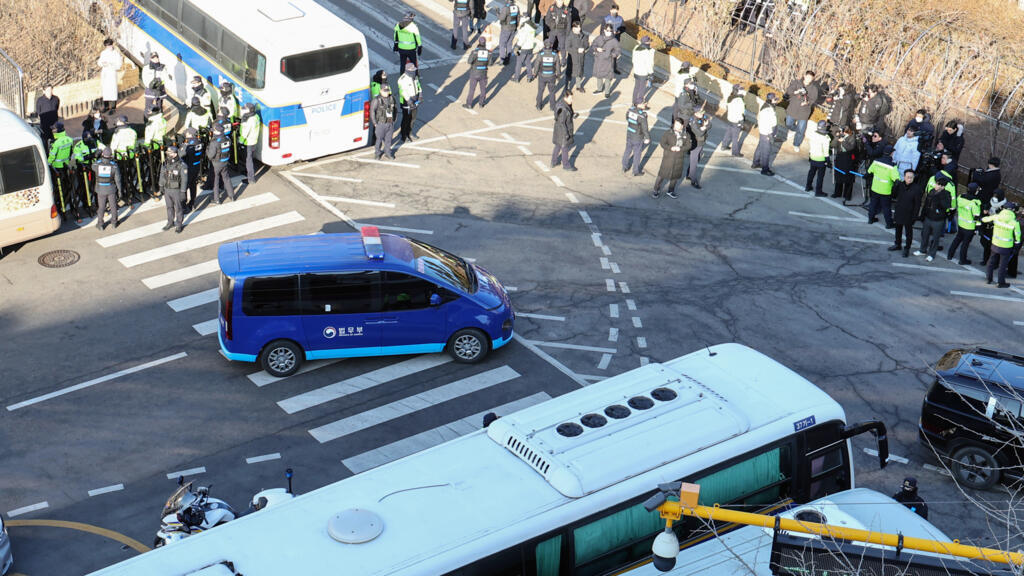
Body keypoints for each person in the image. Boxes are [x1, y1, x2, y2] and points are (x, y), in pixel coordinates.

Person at [983, 202, 1021, 288]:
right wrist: (1017, 244)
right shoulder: (1014, 222)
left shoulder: (997, 217)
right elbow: (1018, 235)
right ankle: (1000, 282)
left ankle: (988, 279)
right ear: (1012, 210)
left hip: (995, 244)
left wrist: (980, 219)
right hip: (1006, 247)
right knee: (1002, 265)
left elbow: (986, 219)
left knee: (991, 261)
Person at [916, 176, 953, 262]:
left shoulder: (946, 194)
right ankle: (922, 250)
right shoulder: (932, 191)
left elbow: (946, 206)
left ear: (943, 187)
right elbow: (926, 203)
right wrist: (922, 215)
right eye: (936, 183)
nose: (936, 185)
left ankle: (932, 254)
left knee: (935, 238)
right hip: (928, 217)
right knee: (924, 234)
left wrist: (939, 198)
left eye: (938, 184)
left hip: (938, 220)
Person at [653, 118, 693, 199]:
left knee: (675, 176)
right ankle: (656, 190)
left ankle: (670, 191)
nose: (676, 126)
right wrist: (670, 147)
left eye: (678, 125)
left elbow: (689, 145)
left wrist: (680, 149)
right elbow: (662, 143)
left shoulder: (686, 135)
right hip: (668, 158)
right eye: (675, 124)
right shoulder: (668, 133)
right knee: (661, 175)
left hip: (679, 159)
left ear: (682, 126)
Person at [889, 170, 924, 257]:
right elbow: (893, 195)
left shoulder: (917, 189)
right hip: (899, 211)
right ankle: (897, 244)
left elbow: (917, 204)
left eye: (911, 177)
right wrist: (895, 186)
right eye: (908, 177)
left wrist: (914, 216)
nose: (909, 179)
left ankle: (907, 248)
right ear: (904, 177)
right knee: (898, 229)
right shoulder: (900, 185)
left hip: (909, 214)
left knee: (908, 233)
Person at [47, 121, 76, 220]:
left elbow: (52, 156)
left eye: (54, 130)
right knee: (67, 186)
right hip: (65, 166)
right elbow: (71, 151)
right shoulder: (69, 139)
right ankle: (69, 204)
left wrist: (49, 163)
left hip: (57, 168)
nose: (53, 131)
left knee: (59, 188)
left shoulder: (56, 143)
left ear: (57, 131)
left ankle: (61, 206)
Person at [947, 183, 982, 265]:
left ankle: (950, 254)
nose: (978, 191)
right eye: (977, 190)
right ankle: (962, 260)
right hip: (969, 227)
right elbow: (976, 217)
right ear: (975, 191)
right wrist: (977, 229)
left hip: (961, 223)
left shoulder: (960, 197)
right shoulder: (975, 203)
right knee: (965, 244)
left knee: (957, 239)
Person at [784, 70, 818, 151]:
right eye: (808, 77)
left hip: (804, 112)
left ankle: (796, 144)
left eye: (811, 78)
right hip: (793, 108)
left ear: (812, 79)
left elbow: (813, 99)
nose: (809, 79)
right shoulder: (796, 83)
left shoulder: (814, 89)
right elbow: (789, 91)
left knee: (801, 130)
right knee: (788, 123)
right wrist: (796, 91)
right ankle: (793, 130)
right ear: (804, 76)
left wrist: (807, 102)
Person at [865, 144, 898, 225]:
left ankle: (870, 219)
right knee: (886, 208)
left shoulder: (876, 161)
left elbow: (868, 172)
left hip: (875, 188)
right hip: (885, 191)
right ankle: (889, 224)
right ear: (891, 153)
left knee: (873, 204)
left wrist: (865, 176)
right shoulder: (892, 166)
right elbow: (897, 181)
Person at [110, 115, 139, 205]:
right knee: (130, 174)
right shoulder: (132, 131)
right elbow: (134, 144)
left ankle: (123, 194)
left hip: (120, 157)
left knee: (121, 176)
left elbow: (113, 147)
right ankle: (131, 191)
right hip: (130, 156)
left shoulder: (117, 134)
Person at [159, 145, 187, 233]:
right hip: (167, 189)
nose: (167, 154)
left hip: (176, 190)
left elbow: (184, 179)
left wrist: (183, 191)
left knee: (178, 208)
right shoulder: (166, 163)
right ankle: (170, 222)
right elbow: (162, 175)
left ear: (175, 154)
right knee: (169, 207)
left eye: (169, 153)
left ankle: (179, 224)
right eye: (167, 152)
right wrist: (161, 185)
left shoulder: (182, 165)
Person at [93, 147, 122, 230]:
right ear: (111, 155)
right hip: (111, 189)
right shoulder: (114, 166)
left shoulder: (97, 164)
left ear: (102, 154)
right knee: (113, 206)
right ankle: (114, 223)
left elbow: (92, 166)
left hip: (100, 189)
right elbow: (118, 179)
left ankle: (100, 224)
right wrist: (119, 190)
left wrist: (97, 157)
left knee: (101, 207)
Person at [143, 106, 167, 198]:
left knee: (153, 168)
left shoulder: (151, 123)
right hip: (162, 145)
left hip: (154, 147)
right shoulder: (163, 120)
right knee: (161, 166)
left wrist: (146, 146)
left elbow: (148, 138)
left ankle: (154, 186)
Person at [72, 130, 98, 217]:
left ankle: (97, 203)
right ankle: (86, 203)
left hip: (93, 166)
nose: (89, 140)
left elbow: (101, 148)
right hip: (83, 168)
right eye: (87, 139)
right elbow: (79, 158)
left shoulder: (95, 142)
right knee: (83, 187)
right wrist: (91, 156)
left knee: (95, 185)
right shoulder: (78, 146)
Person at [206, 123, 233, 204]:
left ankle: (216, 199)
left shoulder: (214, 142)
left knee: (216, 181)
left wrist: (207, 149)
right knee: (226, 178)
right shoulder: (228, 139)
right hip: (225, 161)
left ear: (217, 131)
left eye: (214, 130)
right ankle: (231, 195)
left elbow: (210, 155)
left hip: (216, 164)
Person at [621, 103, 650, 177]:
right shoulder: (642, 115)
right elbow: (644, 128)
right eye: (643, 103)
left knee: (627, 150)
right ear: (639, 105)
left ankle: (624, 166)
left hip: (630, 134)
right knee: (637, 154)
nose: (645, 104)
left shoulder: (630, 110)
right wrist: (647, 137)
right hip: (638, 137)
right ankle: (635, 171)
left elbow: (627, 118)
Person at [551, 91, 577, 171]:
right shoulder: (563, 109)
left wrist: (573, 114)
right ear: (565, 97)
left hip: (558, 130)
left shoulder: (562, 104)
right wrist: (566, 134)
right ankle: (566, 165)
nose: (572, 100)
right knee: (564, 147)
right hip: (563, 130)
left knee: (558, 145)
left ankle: (553, 162)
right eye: (570, 98)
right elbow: (562, 123)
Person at [590, 24, 619, 98]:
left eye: (610, 30)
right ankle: (599, 89)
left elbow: (617, 51)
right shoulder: (599, 38)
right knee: (599, 75)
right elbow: (593, 45)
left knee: (608, 77)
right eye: (607, 30)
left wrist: (611, 55)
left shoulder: (614, 41)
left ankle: (607, 92)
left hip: (608, 61)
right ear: (604, 30)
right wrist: (596, 49)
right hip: (599, 60)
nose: (609, 32)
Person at [752, 93, 777, 176]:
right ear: (771, 100)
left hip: (764, 132)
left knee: (760, 147)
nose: (776, 101)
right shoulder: (768, 110)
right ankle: (765, 169)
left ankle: (755, 163)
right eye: (774, 99)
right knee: (766, 152)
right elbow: (767, 124)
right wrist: (770, 135)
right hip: (767, 133)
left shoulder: (767, 106)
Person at [371, 84, 398, 160]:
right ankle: (377, 153)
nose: (387, 92)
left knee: (389, 139)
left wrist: (394, 120)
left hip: (390, 122)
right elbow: (372, 111)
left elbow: (395, 109)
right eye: (385, 91)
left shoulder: (392, 98)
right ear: (380, 91)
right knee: (379, 140)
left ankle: (388, 152)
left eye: (387, 91)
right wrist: (375, 123)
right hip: (381, 123)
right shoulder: (376, 100)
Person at [533, 39, 561, 110]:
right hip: (551, 76)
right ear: (551, 45)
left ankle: (539, 105)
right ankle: (552, 107)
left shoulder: (540, 55)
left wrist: (535, 74)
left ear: (544, 45)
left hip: (542, 75)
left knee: (540, 91)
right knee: (552, 92)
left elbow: (536, 65)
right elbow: (558, 66)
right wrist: (558, 75)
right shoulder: (555, 55)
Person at [805, 120, 831, 197]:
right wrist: (828, 161)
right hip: (821, 160)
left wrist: (810, 155)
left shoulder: (813, 134)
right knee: (820, 177)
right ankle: (818, 191)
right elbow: (826, 151)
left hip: (813, 157)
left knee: (811, 173)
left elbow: (810, 145)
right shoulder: (826, 138)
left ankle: (808, 186)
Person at [464, 36, 491, 109]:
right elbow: (490, 63)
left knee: (472, 89)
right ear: (485, 43)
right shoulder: (488, 52)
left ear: (479, 42)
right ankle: (481, 103)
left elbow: (469, 61)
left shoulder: (475, 51)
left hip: (474, 73)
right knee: (483, 89)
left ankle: (469, 104)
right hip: (483, 73)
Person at [831, 127, 856, 203]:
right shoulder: (840, 136)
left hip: (848, 159)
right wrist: (836, 138)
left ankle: (847, 195)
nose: (843, 133)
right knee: (838, 176)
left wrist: (843, 142)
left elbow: (850, 148)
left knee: (848, 177)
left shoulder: (852, 138)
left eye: (844, 131)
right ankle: (837, 193)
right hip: (840, 157)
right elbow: (832, 145)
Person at [398, 63, 422, 141]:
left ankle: (410, 132)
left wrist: (420, 95)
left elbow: (418, 86)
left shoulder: (415, 77)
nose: (414, 71)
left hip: (415, 100)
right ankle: (404, 135)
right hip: (406, 102)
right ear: (407, 70)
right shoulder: (402, 79)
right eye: (412, 70)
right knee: (406, 119)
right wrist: (409, 101)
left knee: (413, 118)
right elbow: (403, 91)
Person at [182, 127, 204, 212]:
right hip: (196, 166)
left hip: (188, 167)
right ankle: (192, 202)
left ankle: (184, 205)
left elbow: (182, 155)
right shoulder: (199, 142)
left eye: (187, 133)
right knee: (193, 185)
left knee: (184, 187)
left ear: (190, 134)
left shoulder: (189, 144)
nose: (185, 134)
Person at [97, 38, 122, 113]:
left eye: (109, 46)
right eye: (107, 46)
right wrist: (103, 63)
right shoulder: (103, 53)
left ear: (112, 45)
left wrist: (111, 64)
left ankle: (113, 108)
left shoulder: (116, 54)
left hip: (112, 73)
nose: (108, 48)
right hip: (105, 73)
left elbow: (119, 65)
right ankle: (106, 106)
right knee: (105, 90)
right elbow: (99, 62)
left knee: (113, 90)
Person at [721, 84, 745, 157]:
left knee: (728, 132)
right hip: (737, 120)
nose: (742, 91)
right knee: (735, 137)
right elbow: (741, 112)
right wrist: (741, 121)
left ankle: (724, 146)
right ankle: (735, 152)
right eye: (740, 89)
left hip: (730, 118)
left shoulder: (730, 97)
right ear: (736, 90)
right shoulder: (739, 100)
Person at [238, 103, 260, 184]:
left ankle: (251, 179)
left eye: (245, 108)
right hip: (254, 141)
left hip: (248, 142)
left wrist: (240, 141)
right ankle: (248, 173)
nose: (243, 109)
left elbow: (245, 133)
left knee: (248, 160)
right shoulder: (256, 116)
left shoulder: (249, 120)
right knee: (249, 159)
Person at [564, 20, 588, 93]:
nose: (579, 29)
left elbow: (586, 44)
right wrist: (577, 50)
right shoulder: (569, 37)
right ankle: (567, 87)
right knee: (569, 73)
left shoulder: (583, 35)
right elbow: (567, 47)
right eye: (577, 27)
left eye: (580, 27)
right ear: (573, 28)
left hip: (581, 57)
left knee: (579, 72)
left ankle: (578, 86)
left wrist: (584, 48)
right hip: (572, 58)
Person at [687, 113, 710, 189]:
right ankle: (693, 180)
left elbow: (710, 124)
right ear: (696, 113)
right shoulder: (693, 121)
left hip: (701, 142)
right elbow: (699, 133)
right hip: (696, 143)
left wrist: (705, 126)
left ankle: (689, 174)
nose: (703, 113)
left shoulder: (702, 117)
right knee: (694, 161)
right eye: (700, 112)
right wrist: (704, 127)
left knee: (697, 159)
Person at [631, 36, 655, 106]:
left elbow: (633, 60)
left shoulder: (636, 48)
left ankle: (634, 102)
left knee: (636, 87)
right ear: (647, 42)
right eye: (649, 41)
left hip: (636, 71)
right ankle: (640, 103)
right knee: (642, 89)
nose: (650, 42)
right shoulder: (647, 52)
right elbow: (649, 64)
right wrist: (651, 73)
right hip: (643, 73)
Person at [603, 4, 625, 74]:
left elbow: (624, 28)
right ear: (610, 10)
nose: (614, 11)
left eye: (616, 10)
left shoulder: (620, 19)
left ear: (617, 11)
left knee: (615, 55)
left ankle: (614, 68)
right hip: (608, 40)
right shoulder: (606, 19)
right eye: (613, 10)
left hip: (616, 39)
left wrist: (619, 31)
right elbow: (602, 30)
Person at [497, 1, 521, 66]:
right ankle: (508, 58)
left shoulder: (506, 8)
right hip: (513, 28)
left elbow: (501, 18)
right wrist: (516, 26)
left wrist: (497, 12)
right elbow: (518, 18)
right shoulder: (516, 7)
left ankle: (502, 60)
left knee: (502, 44)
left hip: (506, 28)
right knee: (509, 44)